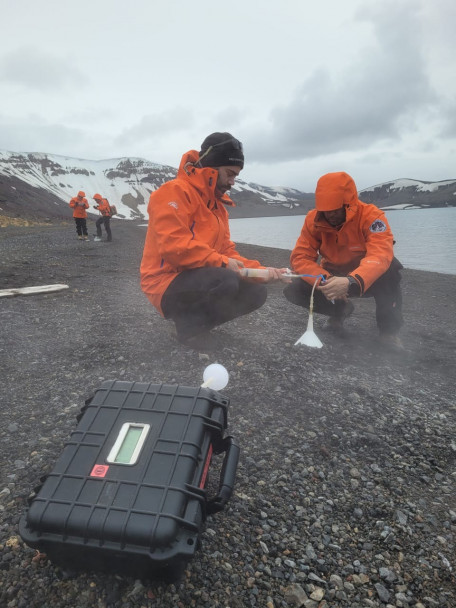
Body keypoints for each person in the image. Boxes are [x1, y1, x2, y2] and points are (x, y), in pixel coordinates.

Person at [140, 132, 288, 347]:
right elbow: (173, 247)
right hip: (163, 282)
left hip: (199, 275)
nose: (232, 181)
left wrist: (263, 271)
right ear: (211, 166)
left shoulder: (218, 207)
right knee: (225, 279)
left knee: (256, 291)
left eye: (236, 175)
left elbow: (226, 252)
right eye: (229, 173)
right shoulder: (173, 193)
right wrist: (221, 263)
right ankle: (186, 328)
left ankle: (194, 326)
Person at [283, 171, 404, 349]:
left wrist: (351, 281)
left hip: (366, 278)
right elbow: (300, 257)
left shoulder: (372, 217)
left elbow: (380, 255)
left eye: (335, 209)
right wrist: (326, 280)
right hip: (332, 273)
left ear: (349, 203)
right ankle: (339, 312)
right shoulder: (313, 220)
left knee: (391, 269)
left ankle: (388, 332)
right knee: (296, 288)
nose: (330, 214)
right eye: (326, 209)